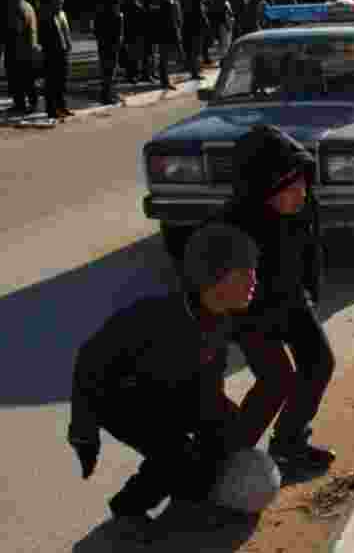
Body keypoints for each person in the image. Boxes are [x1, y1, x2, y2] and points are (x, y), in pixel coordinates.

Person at [68, 224, 291, 526]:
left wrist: (224, 425)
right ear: (214, 280)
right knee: (175, 455)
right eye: (243, 273)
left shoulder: (224, 316)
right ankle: (128, 508)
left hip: (172, 392)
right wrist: (84, 432)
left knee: (223, 436)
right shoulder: (154, 317)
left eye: (253, 270)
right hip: (121, 400)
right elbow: (89, 362)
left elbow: (209, 375)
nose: (254, 280)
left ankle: (190, 488)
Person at [213, 125, 336, 475]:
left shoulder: (303, 205)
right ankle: (229, 459)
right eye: (291, 187)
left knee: (319, 364)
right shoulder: (232, 225)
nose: (301, 193)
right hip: (249, 310)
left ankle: (289, 443)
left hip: (292, 297)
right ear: (265, 189)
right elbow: (209, 288)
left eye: (302, 183)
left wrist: (311, 293)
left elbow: (311, 252)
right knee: (276, 381)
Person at [36, 0, 74, 120]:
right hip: (52, 53)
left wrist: (69, 45)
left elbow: (66, 32)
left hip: (63, 51)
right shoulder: (46, 14)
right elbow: (44, 35)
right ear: (52, 0)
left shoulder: (62, 14)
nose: (61, 1)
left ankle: (62, 106)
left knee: (62, 82)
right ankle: (52, 109)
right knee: (52, 82)